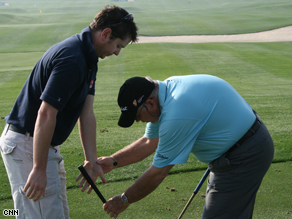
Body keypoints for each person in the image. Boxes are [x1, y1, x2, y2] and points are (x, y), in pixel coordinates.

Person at [0, 5, 138, 219]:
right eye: (118, 45)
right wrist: (38, 168)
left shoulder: (89, 58)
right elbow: (46, 114)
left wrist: (91, 160)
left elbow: (87, 113)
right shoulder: (72, 59)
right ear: (106, 34)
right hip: (28, 145)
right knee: (33, 214)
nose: (117, 52)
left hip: (40, 145)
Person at [98, 74, 274, 219]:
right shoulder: (164, 95)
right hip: (238, 147)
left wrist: (124, 200)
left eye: (136, 116)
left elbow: (158, 172)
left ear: (150, 104)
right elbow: (149, 142)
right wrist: (114, 161)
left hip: (245, 153)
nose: (138, 121)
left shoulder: (176, 113)